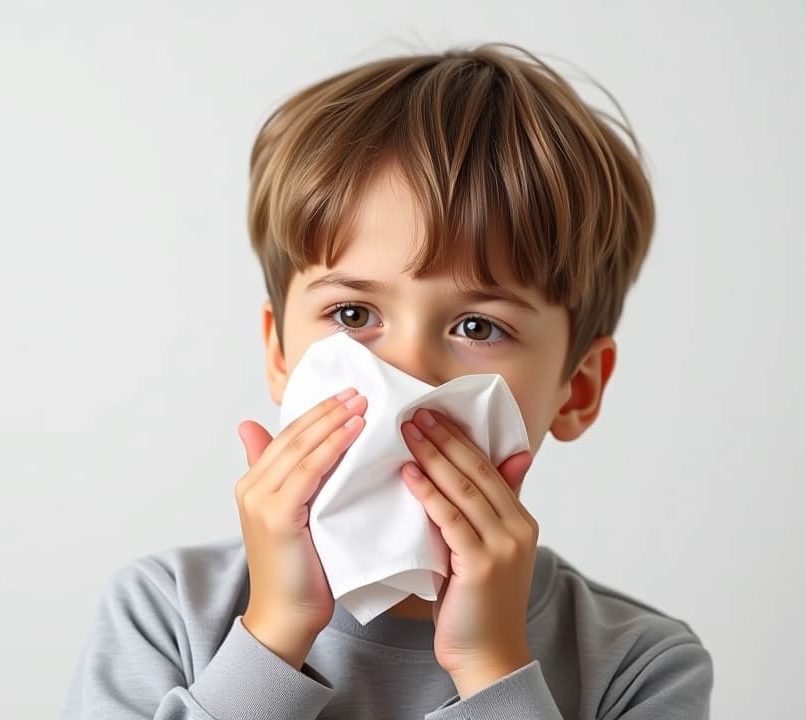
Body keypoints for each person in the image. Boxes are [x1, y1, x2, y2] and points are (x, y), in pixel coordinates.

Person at [62, 42, 713, 719]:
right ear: (281, 354)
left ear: (576, 391)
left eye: (478, 327)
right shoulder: (162, 614)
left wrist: (491, 667)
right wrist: (274, 633)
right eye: (353, 314)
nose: (405, 372)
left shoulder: (640, 667)